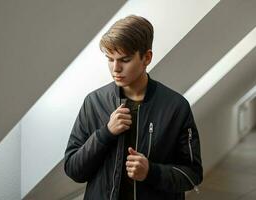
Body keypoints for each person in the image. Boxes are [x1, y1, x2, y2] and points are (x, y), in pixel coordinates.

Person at [64, 15, 203, 200]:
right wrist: (105, 133)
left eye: (125, 60)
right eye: (110, 59)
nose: (115, 68)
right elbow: (74, 170)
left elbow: (193, 175)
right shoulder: (93, 102)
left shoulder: (176, 106)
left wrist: (151, 172)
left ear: (147, 57)